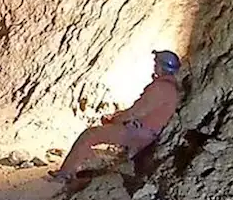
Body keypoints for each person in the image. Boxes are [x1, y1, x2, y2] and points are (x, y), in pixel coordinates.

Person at [50, 50, 183, 182]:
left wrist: (115, 119)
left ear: (162, 66)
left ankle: (64, 174)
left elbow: (136, 112)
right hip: (146, 132)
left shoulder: (160, 88)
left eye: (156, 63)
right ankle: (82, 167)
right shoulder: (172, 87)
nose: (154, 66)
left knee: (90, 134)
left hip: (139, 133)